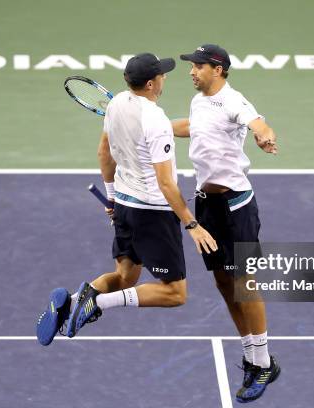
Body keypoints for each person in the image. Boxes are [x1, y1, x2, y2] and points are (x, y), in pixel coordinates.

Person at [36, 53, 217, 345]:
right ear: (150, 83)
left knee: (124, 277)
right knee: (174, 293)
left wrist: (112, 199)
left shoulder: (117, 102)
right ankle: (95, 303)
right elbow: (166, 182)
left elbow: (104, 153)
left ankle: (69, 303)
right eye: (162, 74)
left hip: (125, 205)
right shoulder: (156, 120)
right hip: (153, 213)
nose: (165, 77)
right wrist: (192, 224)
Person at [173, 44, 280, 403]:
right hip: (207, 206)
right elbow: (194, 126)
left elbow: (257, 122)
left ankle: (264, 362)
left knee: (243, 284)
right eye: (192, 66)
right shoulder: (199, 101)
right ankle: (252, 356)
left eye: (198, 66)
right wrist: (152, 127)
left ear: (217, 69)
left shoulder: (234, 100)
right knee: (223, 282)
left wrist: (264, 134)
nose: (192, 71)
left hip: (235, 207)